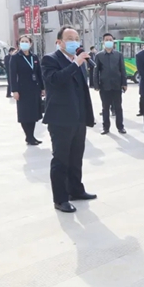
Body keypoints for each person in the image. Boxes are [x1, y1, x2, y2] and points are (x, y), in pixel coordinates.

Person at [41, 27, 96, 213]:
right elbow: (55, 80)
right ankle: (60, 199)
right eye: (70, 38)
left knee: (76, 157)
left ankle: (76, 190)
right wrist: (76, 64)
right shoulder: (50, 59)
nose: (74, 41)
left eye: (77, 38)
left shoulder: (78, 62)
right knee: (61, 160)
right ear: (59, 42)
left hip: (78, 117)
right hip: (60, 119)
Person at [9, 35, 44, 145]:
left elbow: (39, 73)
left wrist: (42, 87)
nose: (24, 43)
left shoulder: (34, 57)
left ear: (30, 43)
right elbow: (12, 75)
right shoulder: (15, 57)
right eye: (22, 41)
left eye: (26, 41)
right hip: (22, 90)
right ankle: (28, 137)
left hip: (34, 88)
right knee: (25, 114)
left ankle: (31, 136)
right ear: (19, 44)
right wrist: (14, 90)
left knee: (33, 113)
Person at [93, 33, 127, 135]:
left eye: (110, 40)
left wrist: (124, 83)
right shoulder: (99, 55)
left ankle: (120, 127)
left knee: (118, 107)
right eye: (106, 40)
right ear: (103, 42)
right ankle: (106, 127)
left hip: (117, 85)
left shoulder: (118, 55)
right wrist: (96, 85)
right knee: (105, 108)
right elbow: (96, 71)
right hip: (104, 86)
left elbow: (122, 70)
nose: (109, 41)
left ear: (113, 42)